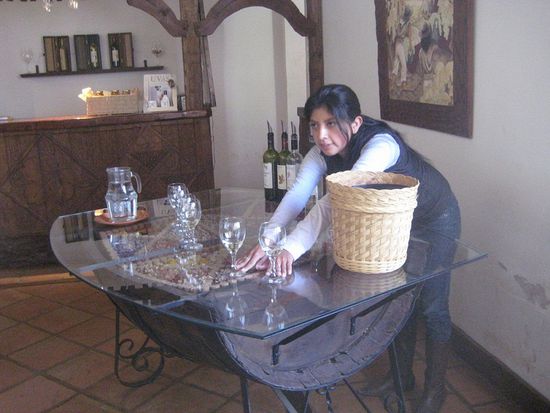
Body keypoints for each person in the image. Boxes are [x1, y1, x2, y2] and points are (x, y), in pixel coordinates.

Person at [237, 84, 461, 413]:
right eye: (315, 125)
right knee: (400, 302)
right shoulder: (321, 152)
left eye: (331, 124)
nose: (321, 135)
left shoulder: (381, 145)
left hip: (434, 219)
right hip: (394, 225)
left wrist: (290, 248)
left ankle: (435, 391)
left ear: (355, 123)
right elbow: (297, 195)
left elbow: (333, 202)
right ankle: (401, 378)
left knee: (432, 306)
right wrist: (267, 241)